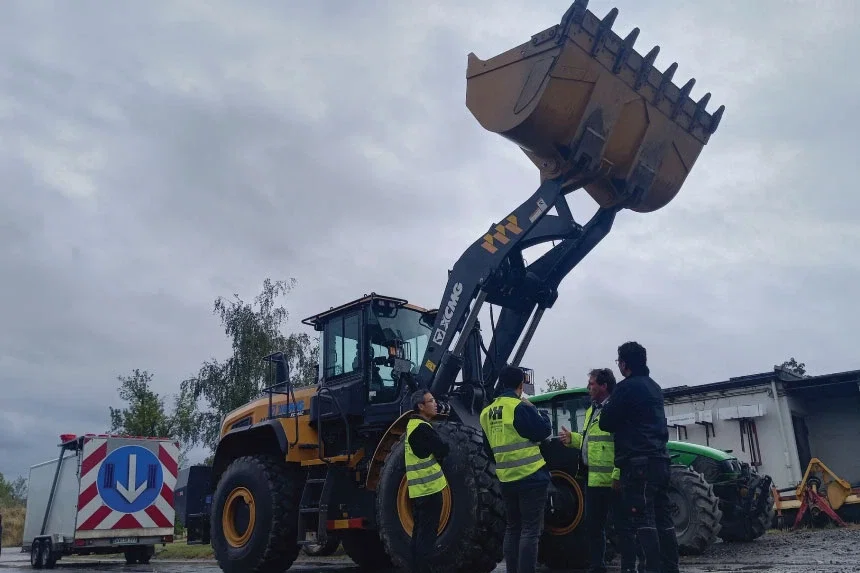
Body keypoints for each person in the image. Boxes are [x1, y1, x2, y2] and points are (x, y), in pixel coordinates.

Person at [599, 341, 679, 573]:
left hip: (638, 465)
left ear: (624, 364)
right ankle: (670, 568)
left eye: (619, 362)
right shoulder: (654, 387)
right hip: (661, 461)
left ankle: (650, 568)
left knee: (642, 520)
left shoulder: (625, 388)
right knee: (663, 519)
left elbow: (606, 422)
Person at [480, 365, 553, 573]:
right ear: (521, 384)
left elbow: (488, 449)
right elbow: (542, 431)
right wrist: (539, 412)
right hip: (531, 476)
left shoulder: (486, 413)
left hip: (506, 479)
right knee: (530, 530)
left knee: (513, 529)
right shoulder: (519, 407)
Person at [559, 368, 630, 573]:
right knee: (594, 526)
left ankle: (628, 566)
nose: (588, 387)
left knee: (622, 526)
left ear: (604, 386)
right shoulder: (592, 410)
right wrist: (573, 439)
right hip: (593, 480)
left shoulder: (615, 410)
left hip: (613, 482)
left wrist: (617, 475)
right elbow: (590, 442)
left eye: (592, 384)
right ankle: (597, 565)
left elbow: (623, 445)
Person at [404, 389, 450, 573]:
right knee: (427, 536)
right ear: (421, 407)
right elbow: (442, 449)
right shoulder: (423, 428)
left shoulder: (412, 427)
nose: (435, 403)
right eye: (431, 401)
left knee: (419, 533)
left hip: (419, 490)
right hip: (430, 489)